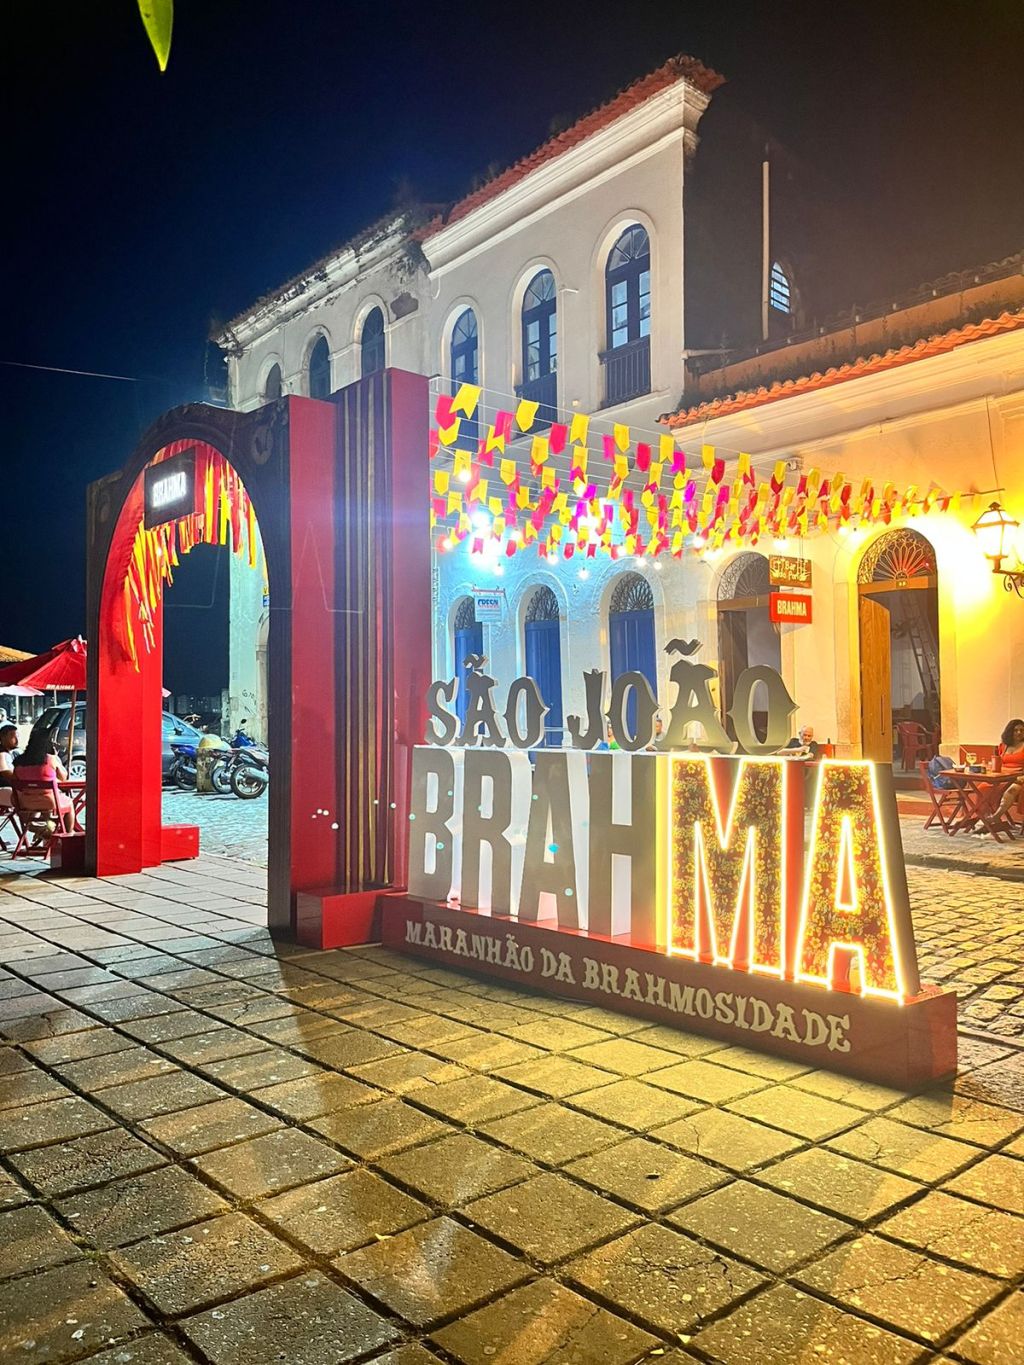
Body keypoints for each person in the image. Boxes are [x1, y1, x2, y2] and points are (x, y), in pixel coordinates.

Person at [13, 727, 74, 832]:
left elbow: (16, 781)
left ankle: (45, 829)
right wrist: (56, 757)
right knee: (70, 803)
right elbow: (63, 777)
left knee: (42, 803)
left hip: (25, 803)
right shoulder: (50, 759)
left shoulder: (18, 762)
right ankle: (68, 833)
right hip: (49, 801)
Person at [994, 717, 1024, 821]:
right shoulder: (1003, 746)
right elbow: (996, 761)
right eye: (1016, 730)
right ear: (1010, 731)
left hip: (1019, 778)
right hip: (1001, 777)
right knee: (983, 787)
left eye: (1022, 730)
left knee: (1011, 790)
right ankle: (981, 816)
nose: (1019, 732)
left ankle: (995, 817)